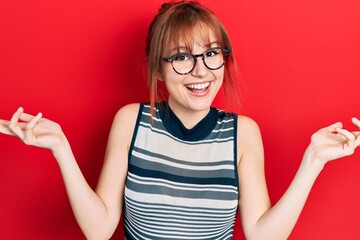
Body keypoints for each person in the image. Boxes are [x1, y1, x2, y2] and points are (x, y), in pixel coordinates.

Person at [0, 1, 359, 239]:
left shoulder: (243, 134)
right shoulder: (131, 122)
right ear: (159, 68)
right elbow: (99, 229)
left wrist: (314, 160)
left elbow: (263, 235)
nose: (200, 71)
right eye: (181, 57)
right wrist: (60, 148)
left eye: (211, 53)